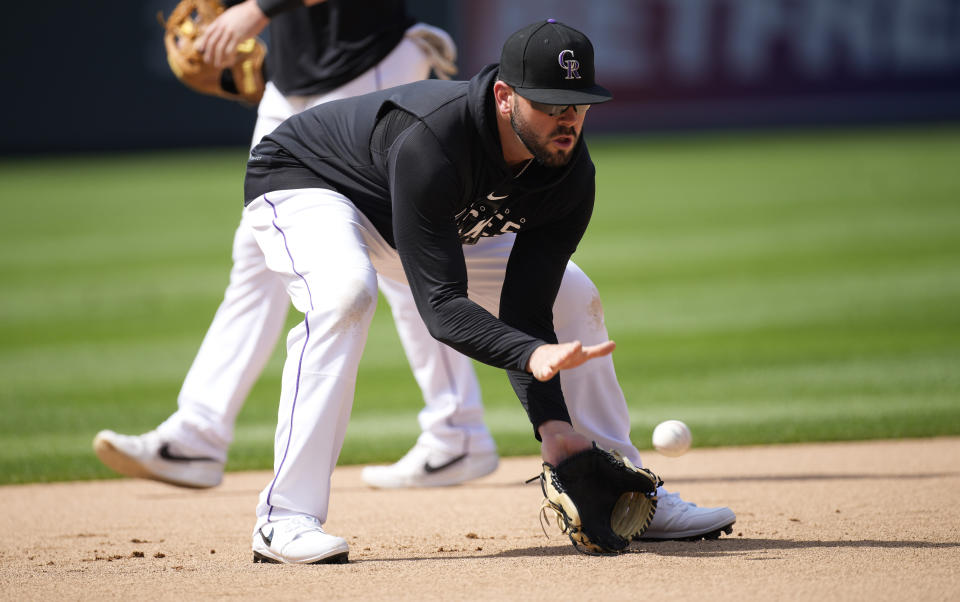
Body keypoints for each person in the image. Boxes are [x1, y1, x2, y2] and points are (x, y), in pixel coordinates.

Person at [237, 19, 736, 564]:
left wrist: (553, 426)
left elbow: (527, 303)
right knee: (345, 294)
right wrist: (530, 352)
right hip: (308, 181)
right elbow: (443, 308)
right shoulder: (435, 143)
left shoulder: (569, 174)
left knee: (572, 293)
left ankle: (630, 492)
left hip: (412, 215)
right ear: (504, 96)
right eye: (550, 103)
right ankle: (283, 518)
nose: (566, 119)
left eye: (578, 103)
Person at [93, 0, 501, 491]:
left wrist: (256, 11)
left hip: (367, 64)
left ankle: (458, 430)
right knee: (261, 245)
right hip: (295, 84)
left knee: (398, 249)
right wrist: (270, 60)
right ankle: (197, 434)